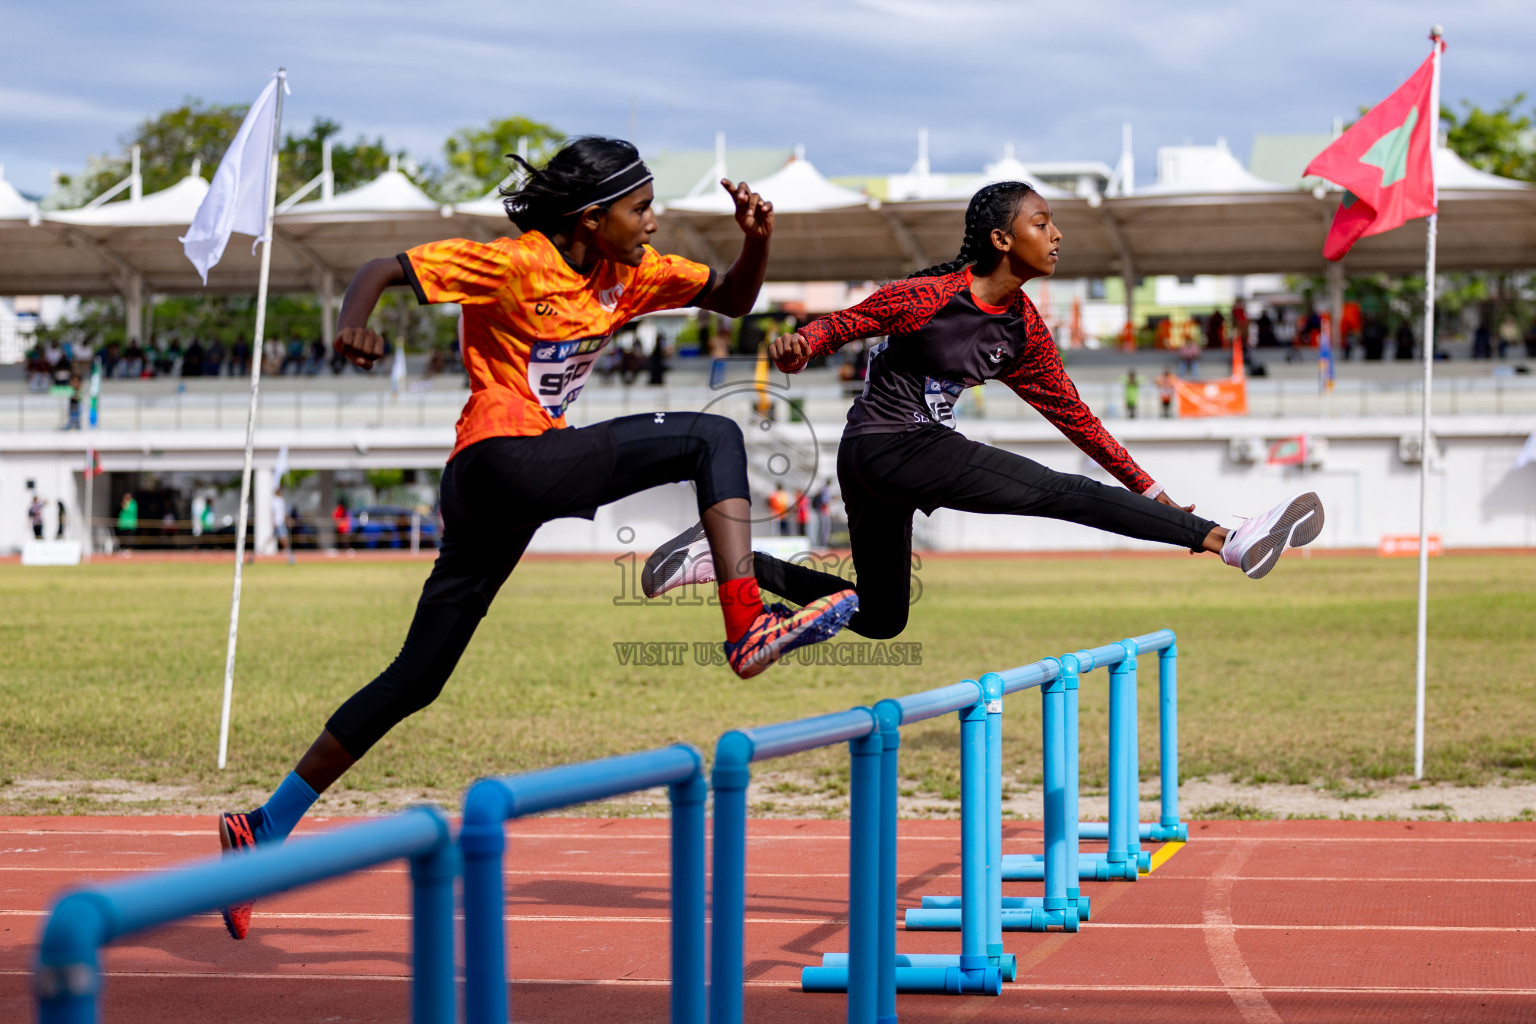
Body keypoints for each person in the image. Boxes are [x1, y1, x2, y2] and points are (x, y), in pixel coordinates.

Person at [216, 137, 857, 940]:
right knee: (710, 440)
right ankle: (745, 624)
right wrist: (355, 327)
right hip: (496, 462)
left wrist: (758, 238)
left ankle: (264, 827)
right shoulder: (514, 264)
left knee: (417, 677)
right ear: (590, 219)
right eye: (640, 208)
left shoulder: (635, 272)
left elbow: (731, 299)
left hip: (507, 486)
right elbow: (382, 268)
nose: (654, 222)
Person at [642, 180, 1324, 643]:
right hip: (891, 445)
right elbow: (840, 324)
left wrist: (1152, 493)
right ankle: (1226, 542)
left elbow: (1079, 422)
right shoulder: (928, 294)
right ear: (1002, 239)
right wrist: (800, 348)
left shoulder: (1023, 332)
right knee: (1063, 493)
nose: (1056, 236)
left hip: (881, 458)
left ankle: (731, 561)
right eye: (1042, 224)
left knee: (881, 617)